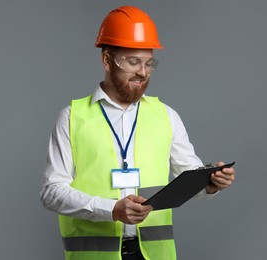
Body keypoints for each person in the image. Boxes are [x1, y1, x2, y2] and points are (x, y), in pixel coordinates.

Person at [40, 5, 235, 260]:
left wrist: (210, 184)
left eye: (148, 63)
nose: (142, 73)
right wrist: (111, 210)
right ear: (107, 60)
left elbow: (189, 179)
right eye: (133, 62)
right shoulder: (72, 117)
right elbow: (51, 192)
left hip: (154, 255)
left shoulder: (166, 116)